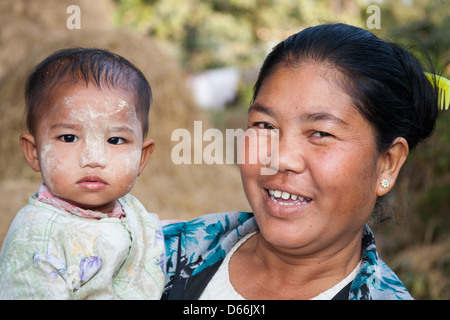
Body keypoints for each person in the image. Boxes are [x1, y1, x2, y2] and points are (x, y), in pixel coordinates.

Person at [162, 23, 445, 300]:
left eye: (321, 133)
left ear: (388, 164)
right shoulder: (152, 255)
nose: (281, 158)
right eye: (265, 125)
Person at [0, 48, 165, 299]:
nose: (93, 159)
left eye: (115, 139)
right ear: (34, 152)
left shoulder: (133, 211)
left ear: (142, 157)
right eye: (69, 137)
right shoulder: (37, 238)